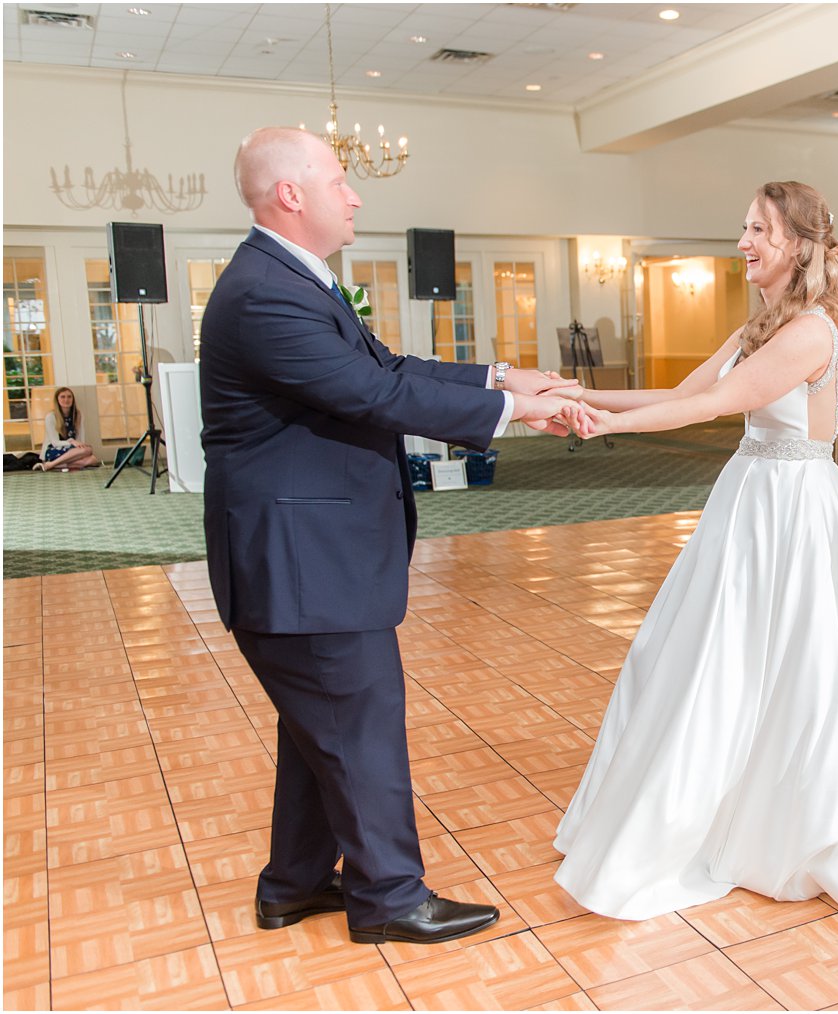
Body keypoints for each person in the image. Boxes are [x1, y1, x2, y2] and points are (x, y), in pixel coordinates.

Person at [552, 181, 838, 922]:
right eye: (743, 227)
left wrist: (598, 428)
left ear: (800, 245)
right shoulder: (762, 326)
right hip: (748, 505)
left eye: (759, 230)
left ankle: (797, 818)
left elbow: (712, 406)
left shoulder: (807, 331)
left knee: (801, 666)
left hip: (794, 515)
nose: (743, 242)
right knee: (710, 658)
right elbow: (679, 389)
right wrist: (581, 399)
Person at [199, 127, 581, 946]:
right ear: (292, 195)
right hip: (302, 564)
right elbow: (371, 396)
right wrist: (517, 412)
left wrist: (499, 379)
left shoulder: (293, 279)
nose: (356, 193)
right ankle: (388, 898)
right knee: (356, 722)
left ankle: (295, 885)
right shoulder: (265, 292)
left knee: (322, 728)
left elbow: (387, 367)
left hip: (308, 559)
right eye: (340, 180)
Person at [38, 387, 101, 471]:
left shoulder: (78, 415)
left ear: (73, 399)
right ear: (57, 400)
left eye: (69, 397)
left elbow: (80, 439)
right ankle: (51, 464)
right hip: (52, 449)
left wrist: (78, 446)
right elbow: (55, 442)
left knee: (92, 458)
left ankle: (54, 465)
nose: (66, 400)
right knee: (88, 452)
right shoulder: (51, 416)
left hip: (71, 451)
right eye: (62, 397)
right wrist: (71, 442)